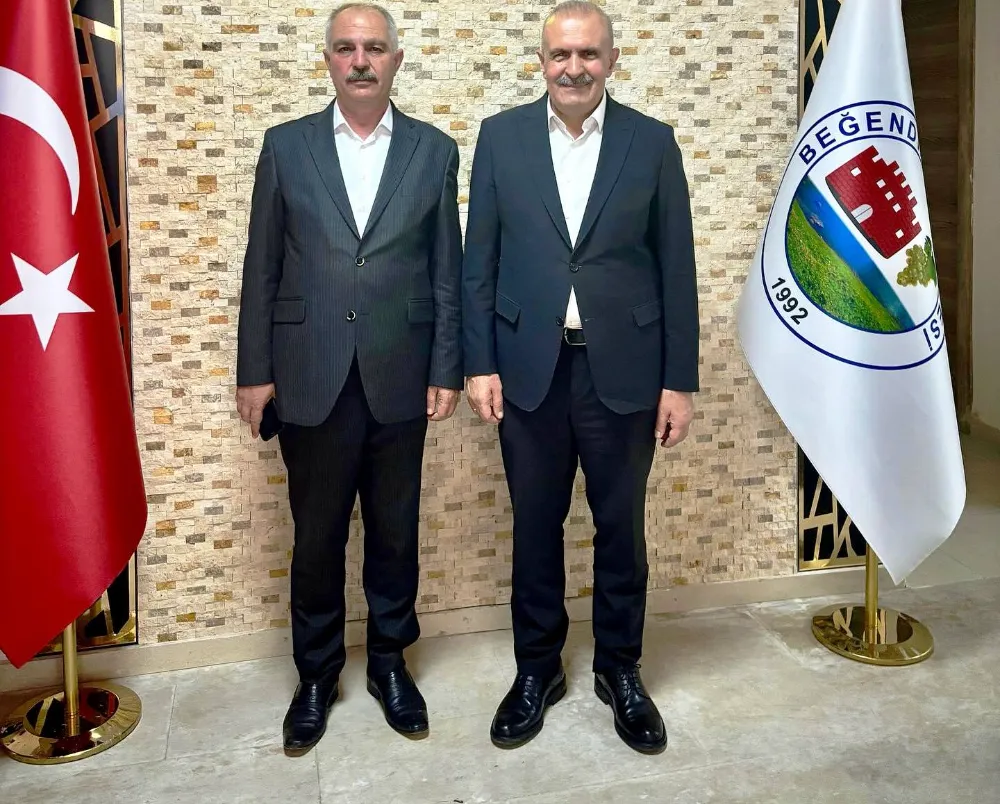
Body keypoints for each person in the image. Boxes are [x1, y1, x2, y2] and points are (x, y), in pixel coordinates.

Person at [462, 0, 699, 755]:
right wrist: (479, 361)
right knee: (534, 528)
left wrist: (679, 381)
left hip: (623, 372)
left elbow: (677, 267)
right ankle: (537, 670)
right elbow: (478, 263)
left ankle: (620, 671)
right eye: (560, 55)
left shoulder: (652, 142)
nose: (574, 68)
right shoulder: (500, 138)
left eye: (588, 54)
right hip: (527, 370)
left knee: (620, 530)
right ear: (541, 61)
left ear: (612, 60)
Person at [235, 2, 463, 755]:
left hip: (402, 373)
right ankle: (316, 674)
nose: (360, 60)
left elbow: (446, 268)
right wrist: (255, 372)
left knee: (395, 534)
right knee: (317, 537)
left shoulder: (435, 151)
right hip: (310, 373)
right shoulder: (286, 146)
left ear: (396, 59)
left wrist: (446, 365)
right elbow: (262, 266)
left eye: (373, 48)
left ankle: (390, 663)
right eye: (345, 48)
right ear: (328, 59)